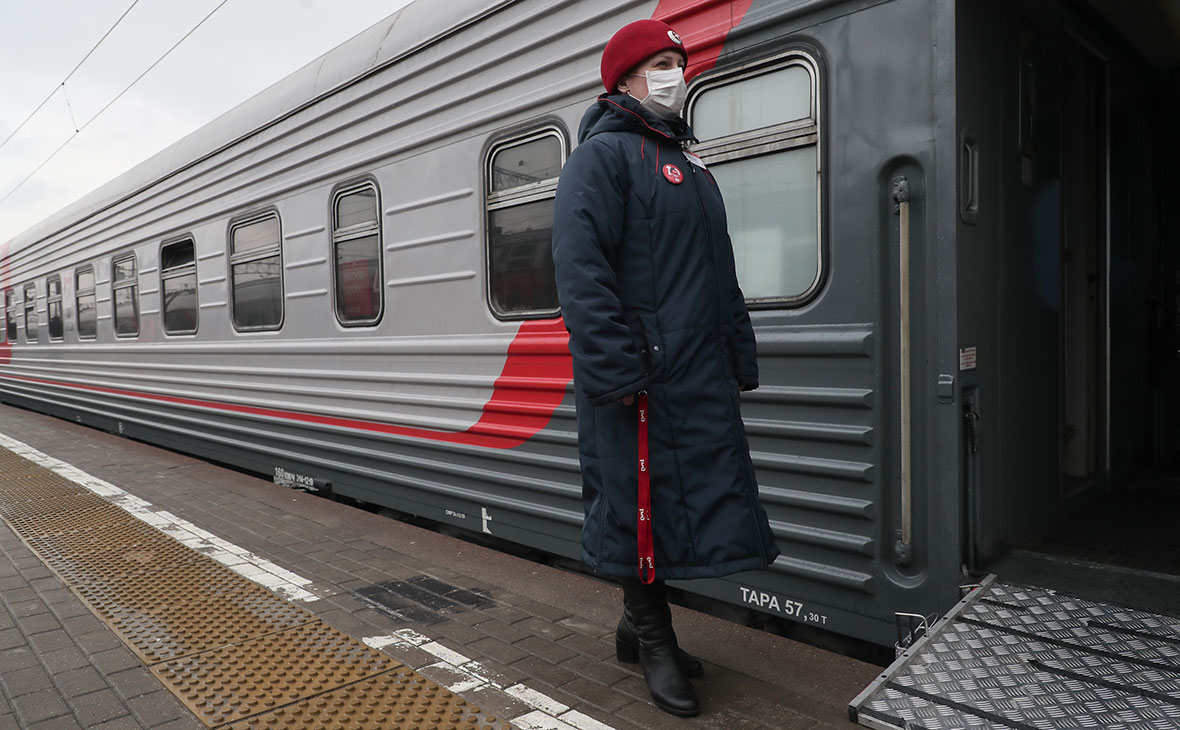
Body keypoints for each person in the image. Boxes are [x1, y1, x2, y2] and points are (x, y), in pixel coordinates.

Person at [551, 18, 780, 718]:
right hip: (638, 382)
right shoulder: (601, 158)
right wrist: (617, 370)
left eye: (677, 61)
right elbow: (580, 275)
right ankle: (653, 638)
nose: (674, 71)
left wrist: (738, 353)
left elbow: (721, 273)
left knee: (683, 511)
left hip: (693, 375)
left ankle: (635, 626)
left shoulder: (689, 162)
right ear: (622, 79)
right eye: (658, 62)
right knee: (639, 510)